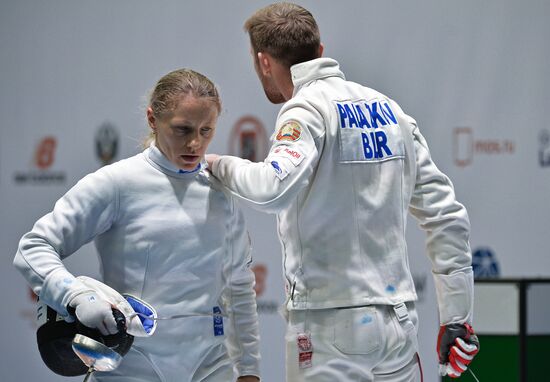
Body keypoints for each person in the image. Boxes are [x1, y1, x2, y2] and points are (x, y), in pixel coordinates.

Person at [206, 3, 479, 381]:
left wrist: (219, 165)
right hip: (398, 326)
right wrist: (457, 319)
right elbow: (446, 215)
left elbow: (272, 188)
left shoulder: (305, 110)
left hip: (329, 329)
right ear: (320, 50)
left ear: (263, 62)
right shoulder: (391, 112)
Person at [14, 68, 261, 382]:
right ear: (152, 119)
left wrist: (250, 368)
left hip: (210, 364)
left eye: (206, 130)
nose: (195, 142)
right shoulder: (117, 183)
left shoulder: (220, 193)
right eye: (182, 129)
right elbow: (33, 247)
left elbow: (239, 286)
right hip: (131, 365)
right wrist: (75, 296)